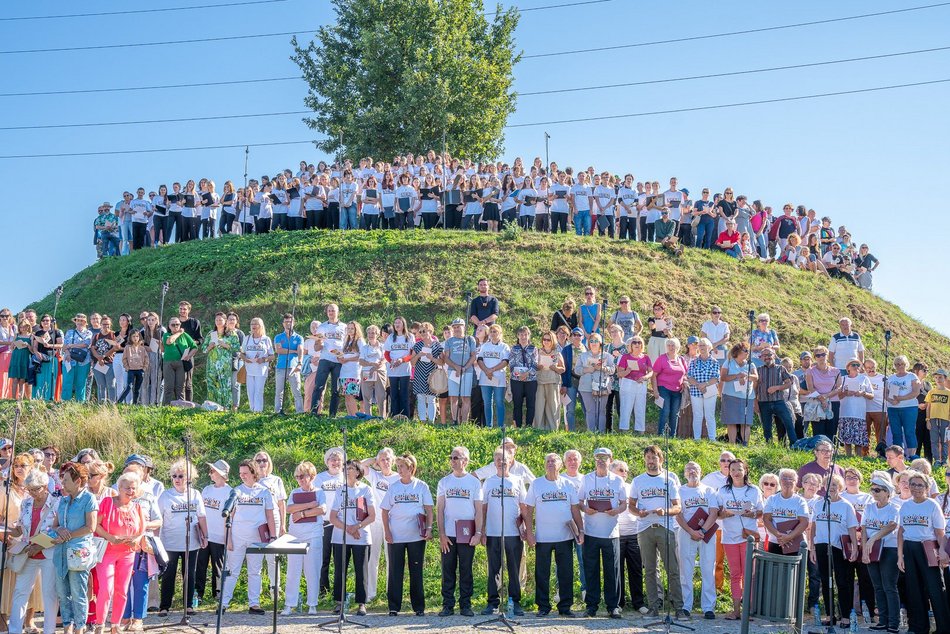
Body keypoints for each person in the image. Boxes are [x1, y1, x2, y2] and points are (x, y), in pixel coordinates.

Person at [524, 453, 583, 617]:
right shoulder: (537, 484)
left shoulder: (567, 484)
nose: (550, 463)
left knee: (566, 573)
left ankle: (565, 606)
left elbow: (575, 509)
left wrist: (581, 530)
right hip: (543, 538)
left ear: (560, 465)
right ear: (544, 465)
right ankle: (543, 606)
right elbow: (529, 511)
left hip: (565, 537)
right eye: (547, 461)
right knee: (542, 573)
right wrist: (529, 533)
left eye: (554, 461)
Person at [631, 445, 684, 619]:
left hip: (665, 527)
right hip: (645, 528)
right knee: (650, 570)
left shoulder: (669, 479)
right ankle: (654, 606)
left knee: (672, 569)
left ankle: (678, 607)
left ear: (661, 459)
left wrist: (665, 511)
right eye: (647, 457)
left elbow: (678, 507)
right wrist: (638, 512)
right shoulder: (638, 481)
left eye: (654, 457)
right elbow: (631, 506)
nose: (650, 461)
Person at [220, 459, 277, 615]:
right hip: (237, 538)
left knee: (255, 571)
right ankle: (223, 604)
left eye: (245, 473)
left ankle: (254, 604)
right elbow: (228, 517)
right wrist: (228, 539)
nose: (242, 476)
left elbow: (270, 516)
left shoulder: (264, 492)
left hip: (257, 539)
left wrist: (273, 537)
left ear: (253, 473)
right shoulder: (237, 491)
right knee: (232, 571)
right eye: (240, 474)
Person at [92, 471, 146, 634]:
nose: (130, 491)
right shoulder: (108, 502)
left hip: (128, 552)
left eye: (133, 488)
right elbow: (95, 525)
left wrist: (136, 539)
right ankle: (100, 624)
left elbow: (142, 530)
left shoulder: (137, 507)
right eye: (127, 488)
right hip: (107, 551)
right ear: (119, 487)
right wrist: (111, 538)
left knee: (122, 590)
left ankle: (115, 624)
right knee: (106, 588)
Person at [898, 471, 950, 634]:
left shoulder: (932, 505)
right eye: (912, 484)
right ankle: (919, 627)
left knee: (935, 588)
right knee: (914, 589)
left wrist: (943, 551)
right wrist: (900, 555)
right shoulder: (905, 505)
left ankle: (943, 628)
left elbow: (939, 532)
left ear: (927, 487)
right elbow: (901, 531)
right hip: (909, 548)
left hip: (927, 548)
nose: (916, 488)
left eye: (920, 485)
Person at [575, 447, 625, 618]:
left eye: (604, 457)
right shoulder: (587, 479)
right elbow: (579, 501)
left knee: (612, 570)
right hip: (591, 532)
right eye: (598, 457)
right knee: (591, 570)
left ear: (611, 459)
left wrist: (617, 510)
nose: (601, 461)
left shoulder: (618, 480)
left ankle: (613, 606)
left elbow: (624, 503)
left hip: (611, 533)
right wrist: (585, 509)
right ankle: (591, 606)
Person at [380, 454, 432, 616]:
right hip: (396, 536)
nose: (399, 470)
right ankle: (394, 606)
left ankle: (418, 607)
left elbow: (429, 510)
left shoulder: (421, 486)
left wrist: (429, 529)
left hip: (416, 537)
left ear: (411, 468)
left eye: (402, 466)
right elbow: (385, 511)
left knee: (416, 572)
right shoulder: (393, 487)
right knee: (395, 572)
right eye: (398, 466)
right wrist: (387, 532)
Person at [7, 468, 58, 634]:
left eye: (36, 489)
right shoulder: (26, 502)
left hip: (48, 553)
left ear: (45, 486)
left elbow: (57, 530)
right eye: (29, 489)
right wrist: (6, 532)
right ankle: (14, 630)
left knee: (49, 593)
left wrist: (40, 545)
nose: (33, 493)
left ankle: (49, 630)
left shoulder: (57, 502)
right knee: (20, 591)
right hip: (28, 553)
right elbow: (21, 528)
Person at [52, 461, 99, 634]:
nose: (62, 484)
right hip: (61, 554)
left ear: (78, 481)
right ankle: (67, 628)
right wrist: (59, 530)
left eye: (65, 480)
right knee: (63, 596)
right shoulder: (63, 501)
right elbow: (54, 525)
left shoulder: (89, 499)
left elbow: (90, 527)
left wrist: (68, 534)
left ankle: (80, 628)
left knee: (78, 595)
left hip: (78, 555)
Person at [479, 448, 527, 617]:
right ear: (494, 462)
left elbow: (524, 507)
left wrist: (527, 528)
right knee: (494, 569)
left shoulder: (518, 480)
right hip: (493, 532)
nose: (502, 462)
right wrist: (482, 530)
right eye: (498, 459)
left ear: (511, 461)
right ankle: (493, 603)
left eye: (505, 459)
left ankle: (515, 602)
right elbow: (483, 508)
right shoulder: (489, 482)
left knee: (514, 569)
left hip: (513, 533)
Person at [436, 446, 483, 618]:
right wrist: (441, 534)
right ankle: (448, 605)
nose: (453, 460)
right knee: (447, 570)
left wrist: (478, 533)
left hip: (467, 534)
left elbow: (478, 510)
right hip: (448, 534)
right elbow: (439, 509)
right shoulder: (444, 482)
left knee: (466, 569)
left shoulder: (474, 482)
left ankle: (466, 604)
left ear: (466, 461)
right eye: (452, 457)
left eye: (456, 457)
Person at [157, 460, 208, 617]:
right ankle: (165, 606)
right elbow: (159, 519)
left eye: (180, 476)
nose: (177, 479)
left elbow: (201, 516)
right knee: (168, 574)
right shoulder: (165, 496)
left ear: (189, 477)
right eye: (174, 476)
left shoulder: (195, 494)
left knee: (189, 574)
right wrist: (156, 541)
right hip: (170, 542)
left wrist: (206, 536)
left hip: (191, 542)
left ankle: (188, 605)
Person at [808, 474, 858, 628]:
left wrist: (855, 548)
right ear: (824, 487)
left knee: (842, 581)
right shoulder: (818, 504)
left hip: (838, 547)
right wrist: (812, 547)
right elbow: (813, 526)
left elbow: (851, 529)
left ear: (840, 487)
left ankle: (845, 615)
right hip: (821, 545)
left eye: (835, 485)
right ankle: (830, 615)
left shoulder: (846, 505)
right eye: (828, 485)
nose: (831, 488)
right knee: (825, 580)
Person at [329, 460, 376, 617]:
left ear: (357, 472)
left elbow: (372, 516)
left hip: (361, 537)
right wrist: (348, 529)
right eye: (346, 468)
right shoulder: (340, 491)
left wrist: (357, 527)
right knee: (340, 570)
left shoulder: (366, 490)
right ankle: (339, 602)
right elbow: (333, 517)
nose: (347, 471)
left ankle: (361, 603)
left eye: (351, 468)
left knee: (360, 571)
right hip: (341, 537)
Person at [717, 459, 762, 620]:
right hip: (729, 537)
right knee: (735, 574)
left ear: (745, 471)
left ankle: (748, 610)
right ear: (729, 472)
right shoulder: (723, 491)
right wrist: (725, 514)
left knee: (749, 573)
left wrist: (752, 514)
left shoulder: (754, 490)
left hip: (748, 537)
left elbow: (761, 513)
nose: (736, 473)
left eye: (739, 469)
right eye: (733, 469)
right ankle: (736, 610)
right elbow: (718, 514)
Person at [282, 461, 326, 615]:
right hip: (295, 535)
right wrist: (309, 505)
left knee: (312, 570)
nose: (299, 479)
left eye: (302, 476)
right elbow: (289, 509)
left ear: (311, 476)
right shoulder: (294, 492)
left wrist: (302, 514)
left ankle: (312, 604)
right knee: (293, 570)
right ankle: (289, 604)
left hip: (313, 534)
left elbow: (321, 509)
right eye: (297, 476)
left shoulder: (320, 492)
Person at [676, 462, 718, 620]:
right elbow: (678, 514)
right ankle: (686, 606)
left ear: (701, 472)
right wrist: (691, 531)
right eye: (688, 469)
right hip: (687, 532)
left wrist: (702, 531)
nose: (692, 472)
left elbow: (713, 512)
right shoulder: (680, 490)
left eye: (695, 469)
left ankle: (708, 607)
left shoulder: (708, 490)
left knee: (708, 568)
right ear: (685, 474)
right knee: (685, 569)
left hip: (706, 533)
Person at [359, 448, 399, 604]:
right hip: (375, 521)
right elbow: (359, 466)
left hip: (393, 522)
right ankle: (370, 592)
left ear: (393, 460)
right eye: (382, 460)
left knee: (391, 558)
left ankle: (392, 592)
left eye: (388, 459)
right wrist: (373, 460)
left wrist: (379, 459)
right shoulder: (375, 476)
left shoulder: (398, 477)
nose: (386, 462)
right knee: (372, 557)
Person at [195, 460, 232, 608]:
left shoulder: (230, 491)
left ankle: (218, 593)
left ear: (221, 474)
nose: (210, 473)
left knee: (218, 566)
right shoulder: (207, 490)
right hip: (205, 534)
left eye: (213, 471)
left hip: (220, 534)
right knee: (201, 564)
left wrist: (227, 536)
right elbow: (200, 512)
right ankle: (198, 593)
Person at [315, 448, 345, 595]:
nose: (335, 462)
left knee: (340, 559)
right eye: (332, 459)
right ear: (327, 462)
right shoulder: (319, 478)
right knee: (324, 558)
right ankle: (323, 590)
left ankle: (339, 593)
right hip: (325, 522)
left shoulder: (346, 477)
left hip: (341, 523)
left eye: (338, 459)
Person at [762, 469, 809, 558]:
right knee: (774, 570)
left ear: (796, 482)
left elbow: (804, 522)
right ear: (780, 481)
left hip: (794, 543)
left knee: (792, 571)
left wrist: (789, 537)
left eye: (791, 479)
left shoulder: (800, 501)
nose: (787, 481)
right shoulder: (772, 499)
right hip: (775, 541)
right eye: (784, 478)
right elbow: (766, 519)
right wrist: (779, 536)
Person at [311, 304, 347, 417]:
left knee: (336, 389)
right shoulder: (321, 327)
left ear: (338, 312)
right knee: (318, 386)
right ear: (327, 312)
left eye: (333, 310)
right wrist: (318, 342)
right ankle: (314, 413)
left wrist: (344, 356)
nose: (331, 313)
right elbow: (316, 348)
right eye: (329, 311)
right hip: (325, 358)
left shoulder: (344, 327)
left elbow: (347, 344)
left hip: (338, 360)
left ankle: (332, 415)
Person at [755, 347, 796, 444]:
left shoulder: (780, 368)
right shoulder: (758, 370)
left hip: (779, 401)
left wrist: (777, 388)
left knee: (788, 423)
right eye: (765, 355)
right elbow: (754, 388)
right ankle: (770, 447)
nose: (767, 357)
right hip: (763, 403)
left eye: (769, 355)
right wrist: (755, 402)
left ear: (774, 355)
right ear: (761, 358)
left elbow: (789, 383)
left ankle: (794, 445)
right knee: (767, 428)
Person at [575, 333, 615, 433]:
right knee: (590, 410)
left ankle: (601, 432)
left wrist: (603, 368)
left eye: (596, 341)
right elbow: (577, 370)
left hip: (602, 386)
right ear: (588, 343)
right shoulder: (583, 356)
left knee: (601, 411)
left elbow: (613, 369)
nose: (594, 343)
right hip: (586, 386)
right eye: (591, 341)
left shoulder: (607, 356)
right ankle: (591, 432)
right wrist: (587, 369)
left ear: (600, 343)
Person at [720, 343, 758, 445]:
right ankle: (732, 444)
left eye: (748, 351)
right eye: (745, 350)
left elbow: (756, 377)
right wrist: (737, 376)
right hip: (730, 396)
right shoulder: (728, 363)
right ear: (738, 352)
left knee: (746, 422)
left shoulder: (751, 364)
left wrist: (746, 376)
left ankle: (745, 444)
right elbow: (723, 377)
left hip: (747, 397)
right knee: (731, 421)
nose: (747, 353)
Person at [886, 355, 921, 457]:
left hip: (909, 408)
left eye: (901, 364)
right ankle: (898, 456)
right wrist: (890, 400)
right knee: (896, 433)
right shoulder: (891, 377)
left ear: (906, 364)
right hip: (893, 408)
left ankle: (911, 456)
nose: (899, 366)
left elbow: (916, 392)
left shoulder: (912, 376)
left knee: (909, 432)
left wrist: (901, 399)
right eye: (897, 364)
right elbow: (885, 393)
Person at [202, 312, 239, 409]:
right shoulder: (211, 334)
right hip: (212, 365)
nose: (218, 322)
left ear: (225, 321)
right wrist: (210, 346)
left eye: (220, 320)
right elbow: (204, 349)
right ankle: (212, 406)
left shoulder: (231, 334)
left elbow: (237, 348)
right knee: (212, 384)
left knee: (224, 386)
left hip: (224, 365)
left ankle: (225, 407)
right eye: (217, 320)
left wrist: (225, 345)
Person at [617, 336, 653, 433]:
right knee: (626, 407)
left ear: (642, 345)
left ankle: (640, 430)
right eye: (634, 342)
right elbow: (619, 373)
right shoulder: (625, 357)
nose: (637, 344)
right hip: (628, 383)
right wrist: (627, 371)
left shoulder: (646, 357)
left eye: (639, 342)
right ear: (631, 345)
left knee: (640, 408)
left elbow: (651, 372)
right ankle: (624, 430)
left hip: (641, 383)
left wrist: (645, 377)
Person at [685, 338, 720, 440]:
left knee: (710, 415)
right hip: (696, 392)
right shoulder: (694, 362)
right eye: (700, 345)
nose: (701, 347)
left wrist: (705, 384)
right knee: (697, 415)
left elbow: (716, 378)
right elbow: (689, 376)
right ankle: (697, 439)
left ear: (709, 347)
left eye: (704, 345)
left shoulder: (714, 362)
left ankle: (712, 439)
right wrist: (699, 385)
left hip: (710, 392)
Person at [477, 325, 509, 428]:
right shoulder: (485, 346)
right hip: (485, 377)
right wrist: (486, 370)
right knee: (487, 402)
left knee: (499, 401)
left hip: (499, 377)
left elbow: (505, 362)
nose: (493, 333)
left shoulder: (504, 346)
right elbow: (480, 360)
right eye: (491, 331)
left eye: (495, 331)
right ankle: (488, 426)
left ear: (500, 333)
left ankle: (500, 426)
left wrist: (492, 370)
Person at [239, 318, 274, 413]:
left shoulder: (266, 339)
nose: (253, 325)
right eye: (252, 324)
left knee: (258, 391)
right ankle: (252, 410)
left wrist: (263, 359)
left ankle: (258, 411)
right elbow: (241, 353)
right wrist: (245, 359)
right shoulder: (247, 338)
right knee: (250, 391)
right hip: (249, 369)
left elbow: (272, 356)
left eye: (256, 324)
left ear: (261, 326)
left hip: (261, 370)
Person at [410, 322, 443, 422]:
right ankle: (423, 420)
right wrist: (418, 355)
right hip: (419, 374)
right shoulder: (417, 345)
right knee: (420, 398)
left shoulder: (437, 345)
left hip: (432, 375)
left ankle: (431, 422)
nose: (422, 333)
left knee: (431, 399)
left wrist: (432, 358)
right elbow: (412, 362)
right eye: (420, 332)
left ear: (430, 331)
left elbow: (442, 362)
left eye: (424, 331)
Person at [161, 317, 198, 404]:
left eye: (177, 324)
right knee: (168, 386)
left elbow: (194, 347)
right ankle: (167, 406)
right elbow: (169, 341)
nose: (175, 326)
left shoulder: (185, 335)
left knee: (180, 386)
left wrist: (189, 356)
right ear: (169, 326)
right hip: (168, 362)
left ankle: (181, 406)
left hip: (181, 362)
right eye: (173, 325)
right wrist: (179, 333)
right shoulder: (166, 335)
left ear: (180, 325)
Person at [273, 313, 304, 414]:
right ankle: (278, 411)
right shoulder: (278, 337)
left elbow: (300, 350)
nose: (288, 324)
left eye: (290, 322)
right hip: (281, 367)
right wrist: (293, 351)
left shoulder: (299, 337)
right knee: (279, 392)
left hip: (294, 367)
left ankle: (299, 411)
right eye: (286, 322)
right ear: (283, 324)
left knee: (297, 391)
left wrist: (299, 363)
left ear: (293, 323)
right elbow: (279, 350)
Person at [508, 326, 538, 429]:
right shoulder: (513, 349)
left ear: (529, 336)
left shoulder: (533, 349)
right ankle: (518, 426)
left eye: (525, 334)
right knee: (517, 403)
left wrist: (527, 374)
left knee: (531, 404)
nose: (523, 337)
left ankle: (529, 426)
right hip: (517, 380)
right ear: (518, 336)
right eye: (521, 334)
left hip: (531, 380)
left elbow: (535, 364)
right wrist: (519, 375)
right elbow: (511, 364)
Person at [534, 330, 564, 430]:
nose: (546, 341)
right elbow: (533, 366)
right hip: (540, 381)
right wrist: (538, 366)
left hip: (553, 381)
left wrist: (555, 368)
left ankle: (552, 428)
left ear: (553, 341)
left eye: (548, 339)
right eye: (544, 339)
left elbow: (563, 369)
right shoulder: (538, 352)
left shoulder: (557, 353)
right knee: (539, 405)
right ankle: (539, 428)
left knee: (553, 405)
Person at [62, 314, 93, 402]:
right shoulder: (69, 332)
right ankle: (65, 402)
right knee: (67, 382)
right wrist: (67, 353)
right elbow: (64, 345)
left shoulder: (88, 333)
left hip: (83, 361)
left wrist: (72, 345)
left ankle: (80, 403)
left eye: (81, 321)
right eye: (78, 320)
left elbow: (86, 344)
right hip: (69, 360)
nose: (79, 322)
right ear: (75, 322)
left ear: (85, 322)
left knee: (81, 383)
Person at [176, 302, 202, 402]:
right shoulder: (175, 322)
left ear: (189, 310)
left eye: (184, 309)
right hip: (176, 354)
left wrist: (191, 343)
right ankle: (179, 402)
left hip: (189, 354)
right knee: (178, 381)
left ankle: (189, 404)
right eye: (180, 309)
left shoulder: (194, 322)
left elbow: (200, 339)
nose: (182, 311)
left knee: (188, 382)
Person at [925, 368, 950, 466]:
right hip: (933, 419)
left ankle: (944, 461)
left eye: (940, 377)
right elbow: (928, 407)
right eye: (936, 377)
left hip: (945, 420)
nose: (938, 379)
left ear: (945, 379)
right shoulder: (931, 392)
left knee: (944, 441)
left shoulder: (948, 393)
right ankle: (937, 460)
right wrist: (928, 420)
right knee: (934, 440)